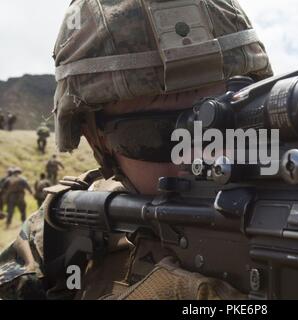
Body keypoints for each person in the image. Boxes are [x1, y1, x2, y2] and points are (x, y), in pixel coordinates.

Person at [0, 0, 272, 300]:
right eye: (161, 134)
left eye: (233, 120)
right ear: (96, 137)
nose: (202, 155)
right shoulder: (61, 234)